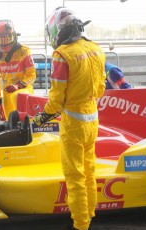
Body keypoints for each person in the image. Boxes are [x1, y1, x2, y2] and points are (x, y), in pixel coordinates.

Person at [33, 7, 106, 230]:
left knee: (75, 177)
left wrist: (40, 118)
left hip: (74, 124)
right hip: (93, 119)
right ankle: (90, 213)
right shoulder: (96, 48)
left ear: (58, 31)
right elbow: (101, 87)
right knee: (89, 171)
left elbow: (56, 99)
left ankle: (81, 224)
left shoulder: (62, 55)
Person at [0, 19, 36, 121]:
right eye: (0, 40)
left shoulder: (24, 51)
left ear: (14, 36)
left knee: (24, 123)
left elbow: (32, 76)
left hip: (24, 90)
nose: (3, 44)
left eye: (6, 39)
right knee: (9, 126)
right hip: (7, 94)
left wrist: (18, 85)